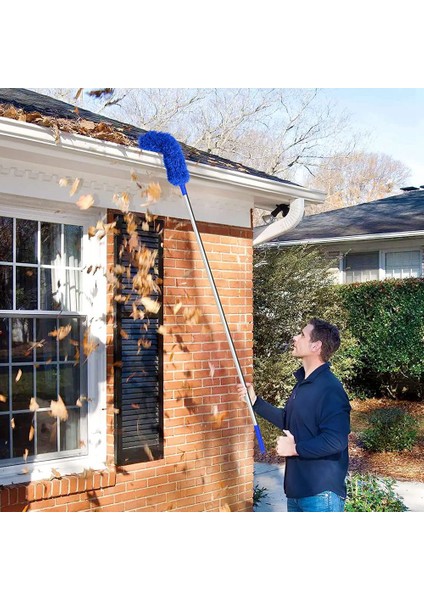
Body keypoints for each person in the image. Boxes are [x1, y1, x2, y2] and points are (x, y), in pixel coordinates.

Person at [238, 317, 351, 512]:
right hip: (297, 492)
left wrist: (296, 448)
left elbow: (336, 441)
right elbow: (288, 420)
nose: (295, 337)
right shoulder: (303, 384)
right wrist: (255, 402)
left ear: (316, 346)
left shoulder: (330, 389)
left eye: (302, 334)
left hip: (321, 495)